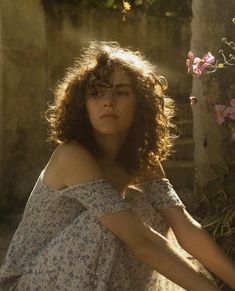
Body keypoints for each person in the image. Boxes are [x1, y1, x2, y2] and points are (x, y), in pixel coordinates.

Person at [0, 41, 234, 291]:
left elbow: (184, 226)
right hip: (31, 281)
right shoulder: (72, 156)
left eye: (121, 92)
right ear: (83, 105)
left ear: (140, 103)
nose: (108, 102)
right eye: (97, 93)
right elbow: (142, 243)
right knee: (107, 225)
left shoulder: (141, 159)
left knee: (145, 209)